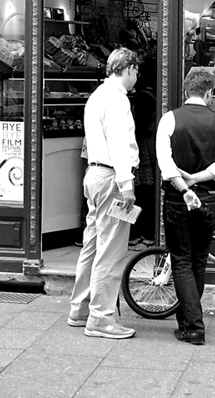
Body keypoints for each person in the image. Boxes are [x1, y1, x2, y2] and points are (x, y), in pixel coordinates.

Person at [156, 69, 215, 345]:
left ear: (186, 90)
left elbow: (165, 164)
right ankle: (188, 321)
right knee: (198, 260)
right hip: (209, 197)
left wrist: (185, 186)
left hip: (179, 198)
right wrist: (198, 179)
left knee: (180, 259)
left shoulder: (169, 119)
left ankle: (193, 325)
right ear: (210, 93)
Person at [69, 47, 141, 339]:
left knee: (93, 243)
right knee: (111, 250)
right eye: (136, 71)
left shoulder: (98, 95)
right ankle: (101, 318)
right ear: (127, 68)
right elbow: (118, 143)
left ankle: (80, 308)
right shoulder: (116, 99)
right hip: (112, 176)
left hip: (95, 175)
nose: (136, 77)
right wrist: (127, 184)